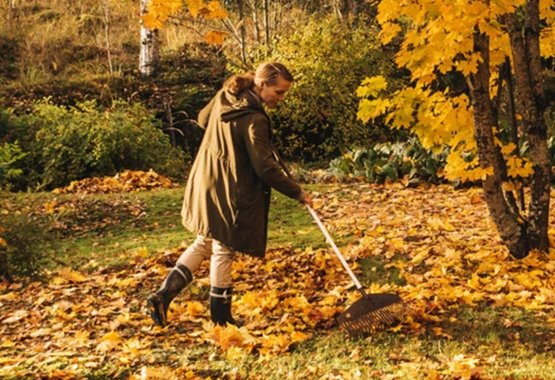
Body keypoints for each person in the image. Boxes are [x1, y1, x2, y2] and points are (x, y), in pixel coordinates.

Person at [147, 62, 312, 327]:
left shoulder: (227, 94)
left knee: (206, 240)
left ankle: (162, 296)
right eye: (279, 92)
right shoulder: (254, 119)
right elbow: (264, 167)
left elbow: (202, 120)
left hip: (205, 177)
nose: (281, 98)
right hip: (229, 186)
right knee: (224, 247)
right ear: (262, 84)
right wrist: (297, 192)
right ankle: (221, 318)